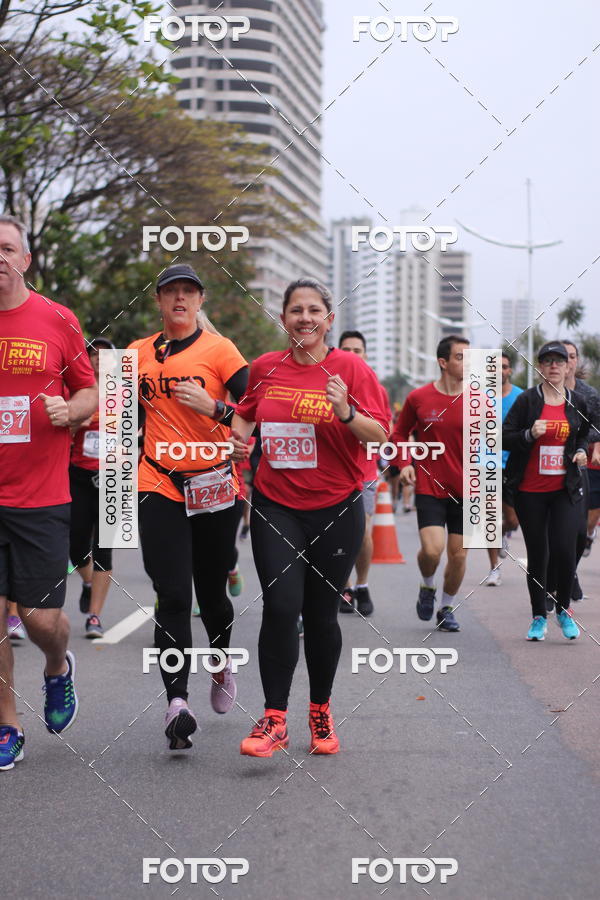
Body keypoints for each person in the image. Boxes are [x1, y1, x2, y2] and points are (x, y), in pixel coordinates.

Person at [232, 278, 389, 758]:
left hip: (335, 510)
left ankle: (319, 709)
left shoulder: (350, 368)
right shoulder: (264, 367)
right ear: (283, 318)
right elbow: (245, 414)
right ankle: (273, 717)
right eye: (295, 310)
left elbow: (380, 434)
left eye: (314, 309)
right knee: (280, 608)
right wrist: (240, 438)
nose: (304, 317)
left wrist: (343, 412)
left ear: (329, 319)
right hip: (276, 505)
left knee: (320, 617)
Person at [130, 263, 249, 751]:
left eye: (188, 292)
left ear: (200, 302)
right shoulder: (136, 354)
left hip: (214, 485)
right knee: (173, 594)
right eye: (170, 292)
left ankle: (219, 663)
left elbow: (256, 407)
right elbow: (118, 414)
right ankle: (176, 702)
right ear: (158, 301)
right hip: (156, 481)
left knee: (213, 593)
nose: (179, 299)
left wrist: (215, 408)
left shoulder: (220, 351)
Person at [0, 215, 97, 771]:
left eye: (8, 248)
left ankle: (58, 667)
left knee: (39, 621)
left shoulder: (57, 319)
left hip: (40, 496)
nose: (1, 257)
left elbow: (89, 389)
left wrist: (72, 409)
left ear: (26, 259)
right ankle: (7, 725)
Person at [503, 341, 589, 641]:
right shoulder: (527, 401)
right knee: (539, 555)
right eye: (547, 360)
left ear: (568, 367)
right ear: (540, 367)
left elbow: (584, 433)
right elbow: (504, 436)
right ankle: (539, 616)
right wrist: (529, 434)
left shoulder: (577, 401)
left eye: (559, 361)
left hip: (564, 489)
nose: (554, 365)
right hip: (530, 491)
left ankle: (564, 611)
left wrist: (580, 451)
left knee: (566, 552)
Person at [392, 335, 469, 633]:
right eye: (461, 357)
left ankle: (446, 607)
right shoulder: (419, 398)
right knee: (432, 551)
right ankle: (427, 586)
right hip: (430, 485)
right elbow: (399, 434)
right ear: (443, 363)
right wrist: (404, 464)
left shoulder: (480, 400)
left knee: (459, 555)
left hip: (469, 490)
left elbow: (492, 444)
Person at [337, 330, 391, 617]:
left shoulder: (376, 390)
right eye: (346, 349)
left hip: (365, 472)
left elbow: (384, 432)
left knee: (362, 533)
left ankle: (362, 584)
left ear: (365, 355)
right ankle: (344, 587)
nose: (352, 355)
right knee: (337, 536)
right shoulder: (326, 385)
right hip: (333, 472)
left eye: (357, 350)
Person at [69, 337, 116, 638]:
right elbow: (65, 427)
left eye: (104, 355)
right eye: (93, 355)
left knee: (104, 548)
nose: (99, 359)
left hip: (115, 478)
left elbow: (141, 427)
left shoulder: (126, 392)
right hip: (79, 474)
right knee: (75, 547)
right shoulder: (78, 391)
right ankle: (87, 581)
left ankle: (95, 617)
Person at [483, 352, 522, 585]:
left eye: (504, 367)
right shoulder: (479, 398)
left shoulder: (521, 397)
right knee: (489, 516)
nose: (500, 371)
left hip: (512, 465)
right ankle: (493, 569)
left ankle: (503, 533)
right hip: (485, 463)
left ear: (509, 371)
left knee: (513, 520)